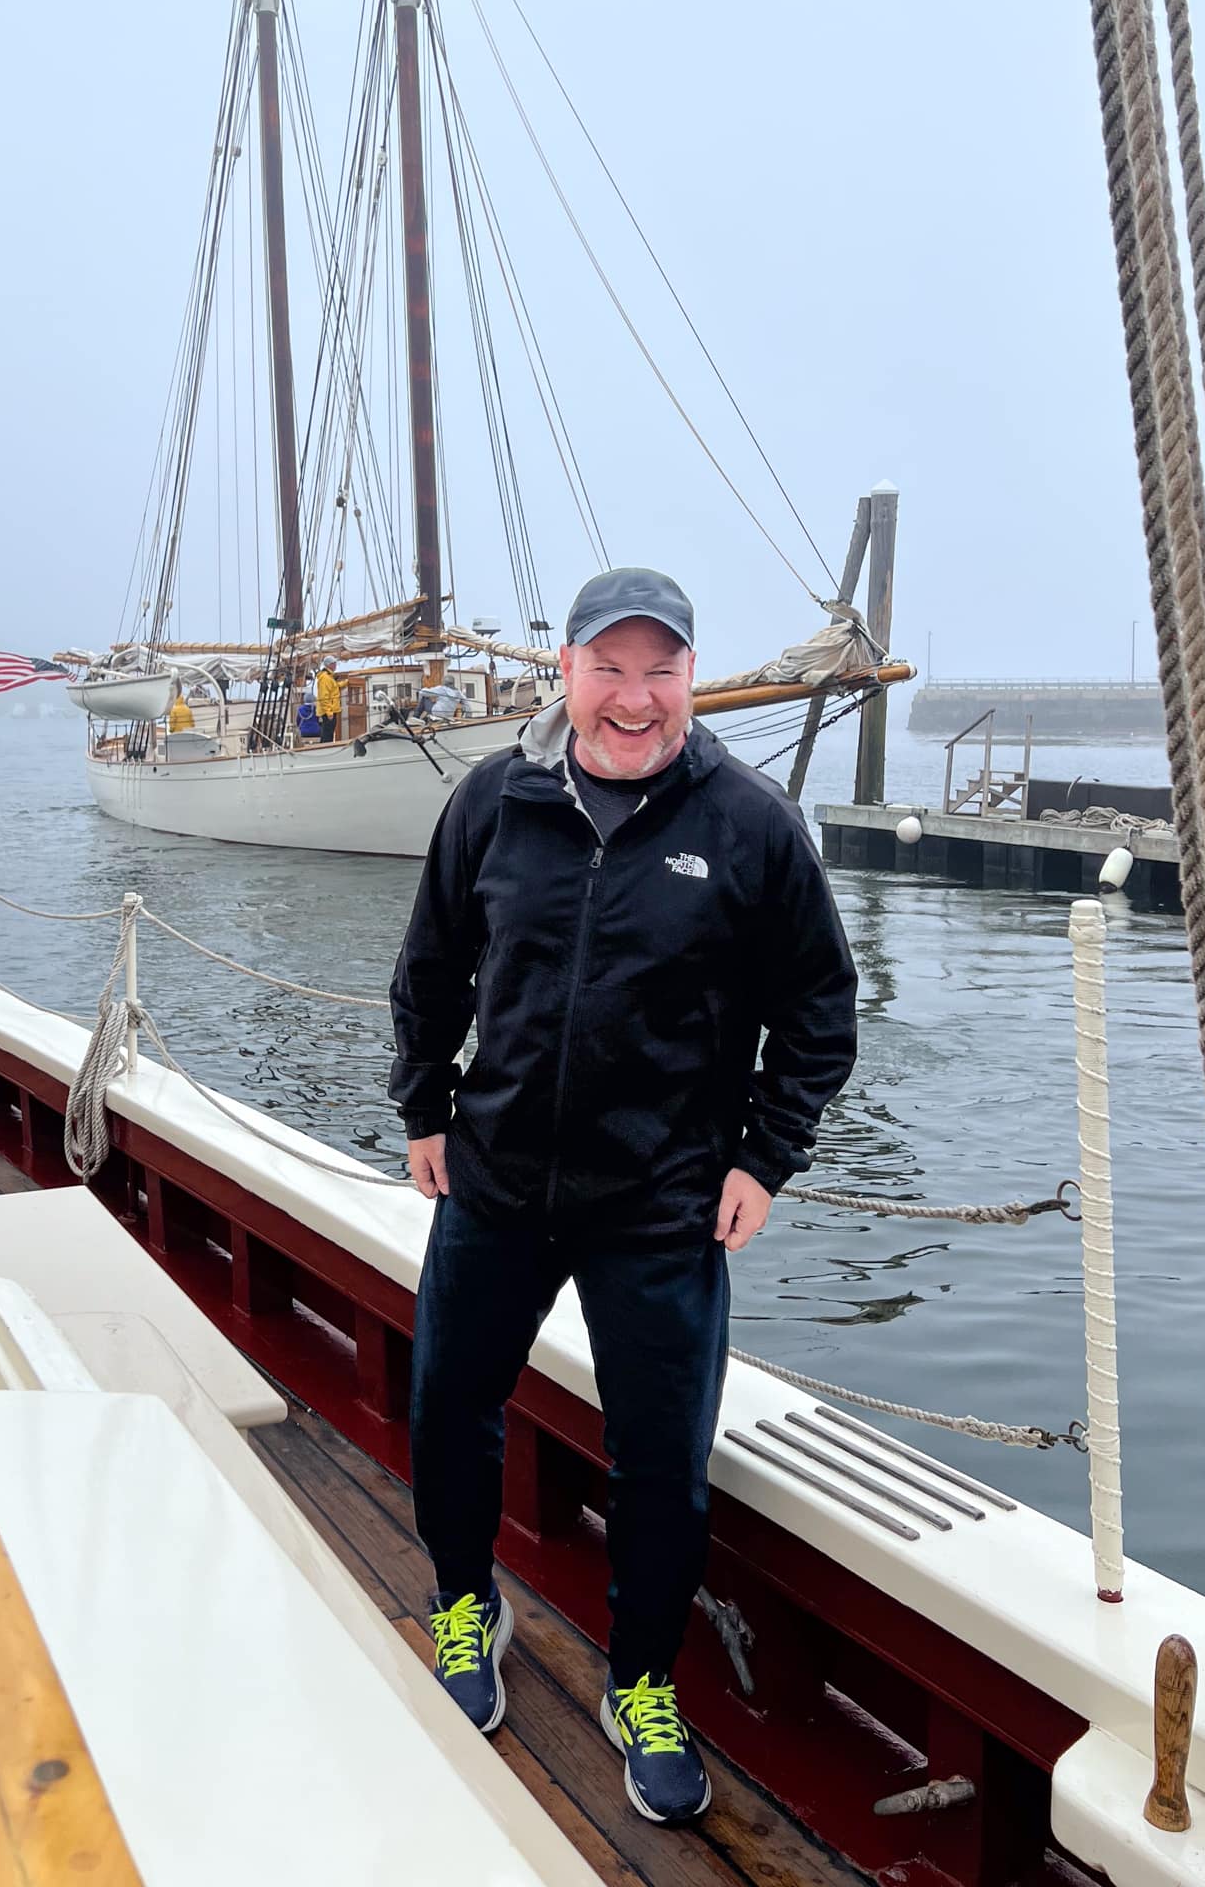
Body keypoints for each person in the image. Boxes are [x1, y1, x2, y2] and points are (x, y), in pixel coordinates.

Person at [389, 567, 857, 1825]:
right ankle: (464, 1606)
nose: (634, 697)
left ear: (691, 679)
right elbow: (432, 962)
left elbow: (821, 1011)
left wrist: (766, 1155)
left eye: (661, 669)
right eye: (611, 666)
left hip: (661, 1196)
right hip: (493, 1177)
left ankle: (642, 1677)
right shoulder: (495, 800)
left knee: (661, 1460)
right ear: (566, 669)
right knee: (448, 1403)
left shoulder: (752, 825)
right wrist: (425, 1101)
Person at [315, 656, 343, 744]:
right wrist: (329, 712)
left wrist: (345, 683)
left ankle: (324, 748)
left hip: (331, 709)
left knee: (328, 732)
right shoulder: (325, 678)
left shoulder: (329, 676)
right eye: (333, 664)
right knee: (328, 733)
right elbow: (324, 697)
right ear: (328, 665)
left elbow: (334, 687)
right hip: (328, 711)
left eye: (335, 663)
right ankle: (325, 749)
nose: (335, 665)